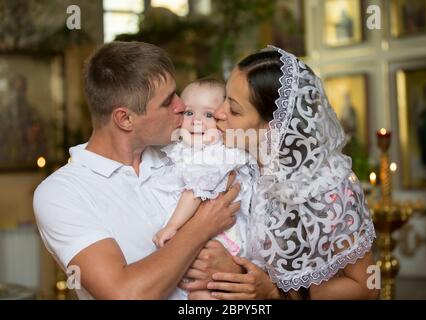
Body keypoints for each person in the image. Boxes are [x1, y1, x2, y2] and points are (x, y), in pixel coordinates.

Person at [33, 41, 241, 300]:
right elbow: (125, 294)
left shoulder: (188, 154)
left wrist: (236, 271)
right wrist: (200, 227)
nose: (181, 106)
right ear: (125, 119)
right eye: (167, 102)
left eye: (176, 93)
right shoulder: (62, 193)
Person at [181, 46, 379, 300]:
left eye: (234, 109)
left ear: (273, 127)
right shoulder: (232, 160)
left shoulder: (325, 187)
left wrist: (274, 292)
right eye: (224, 100)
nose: (218, 114)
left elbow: (366, 286)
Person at [152, 78, 257, 299]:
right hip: (202, 231)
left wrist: (171, 226)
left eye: (208, 115)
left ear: (221, 119)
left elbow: (195, 192)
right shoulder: (184, 149)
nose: (196, 121)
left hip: (222, 235)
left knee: (203, 291)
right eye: (189, 113)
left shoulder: (216, 153)